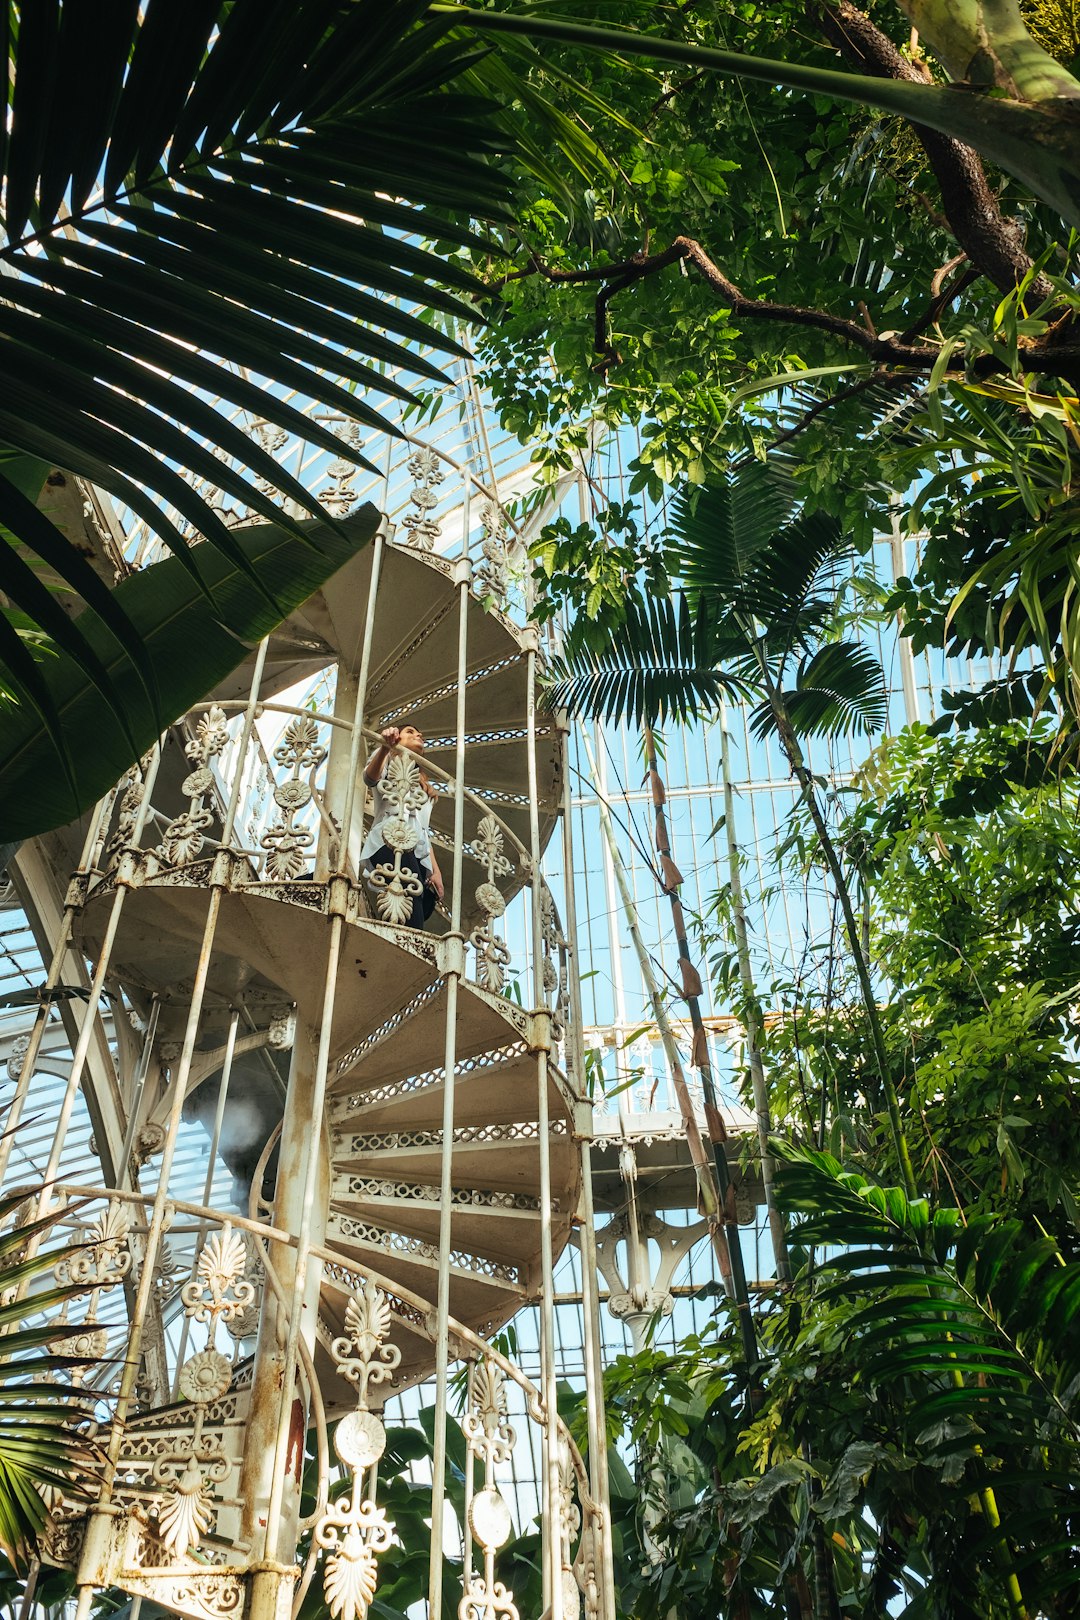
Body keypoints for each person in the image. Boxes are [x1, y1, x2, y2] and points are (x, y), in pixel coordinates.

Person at [360, 724, 444, 929]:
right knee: (408, 907)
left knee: (417, 906)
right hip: (390, 837)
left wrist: (435, 870)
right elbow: (370, 778)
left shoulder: (422, 785)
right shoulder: (387, 760)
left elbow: (421, 828)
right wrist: (384, 747)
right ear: (398, 739)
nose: (419, 734)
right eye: (410, 732)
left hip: (416, 848)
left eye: (418, 731)